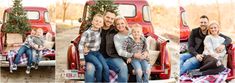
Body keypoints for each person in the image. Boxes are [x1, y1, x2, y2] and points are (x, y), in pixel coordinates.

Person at [78, 14, 109, 82]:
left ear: (102, 24)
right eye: (96, 21)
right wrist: (82, 58)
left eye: (100, 22)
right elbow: (80, 45)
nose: (98, 23)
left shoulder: (99, 30)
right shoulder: (87, 33)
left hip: (97, 53)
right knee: (99, 66)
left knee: (106, 67)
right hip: (89, 53)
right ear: (92, 22)